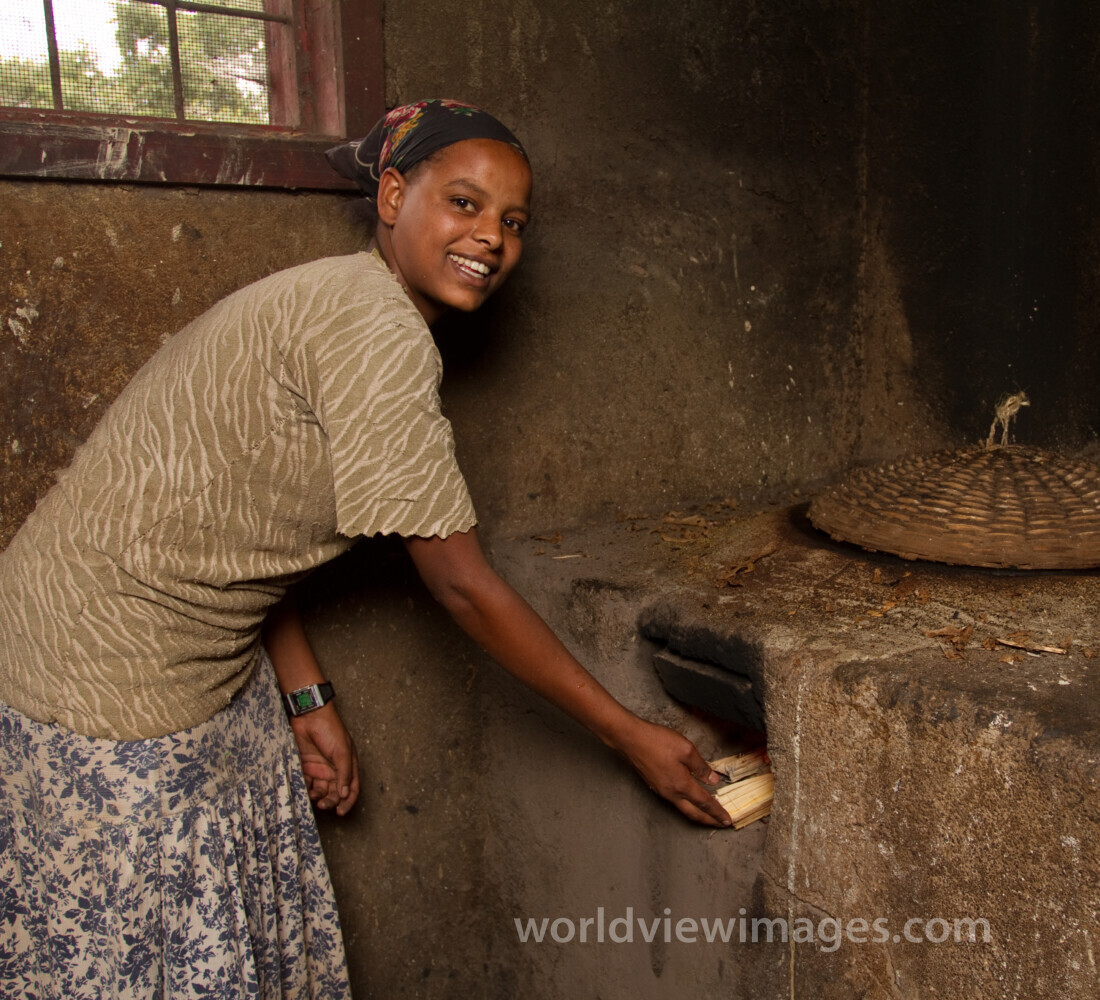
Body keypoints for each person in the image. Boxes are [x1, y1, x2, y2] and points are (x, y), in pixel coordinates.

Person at [0, 99, 731, 1000]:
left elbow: (238, 517)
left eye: (513, 222)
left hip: (181, 649)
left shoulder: (343, 295)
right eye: (463, 203)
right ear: (391, 196)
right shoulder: (374, 331)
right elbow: (461, 586)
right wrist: (628, 735)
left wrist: (304, 691)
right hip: (99, 674)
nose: (492, 237)